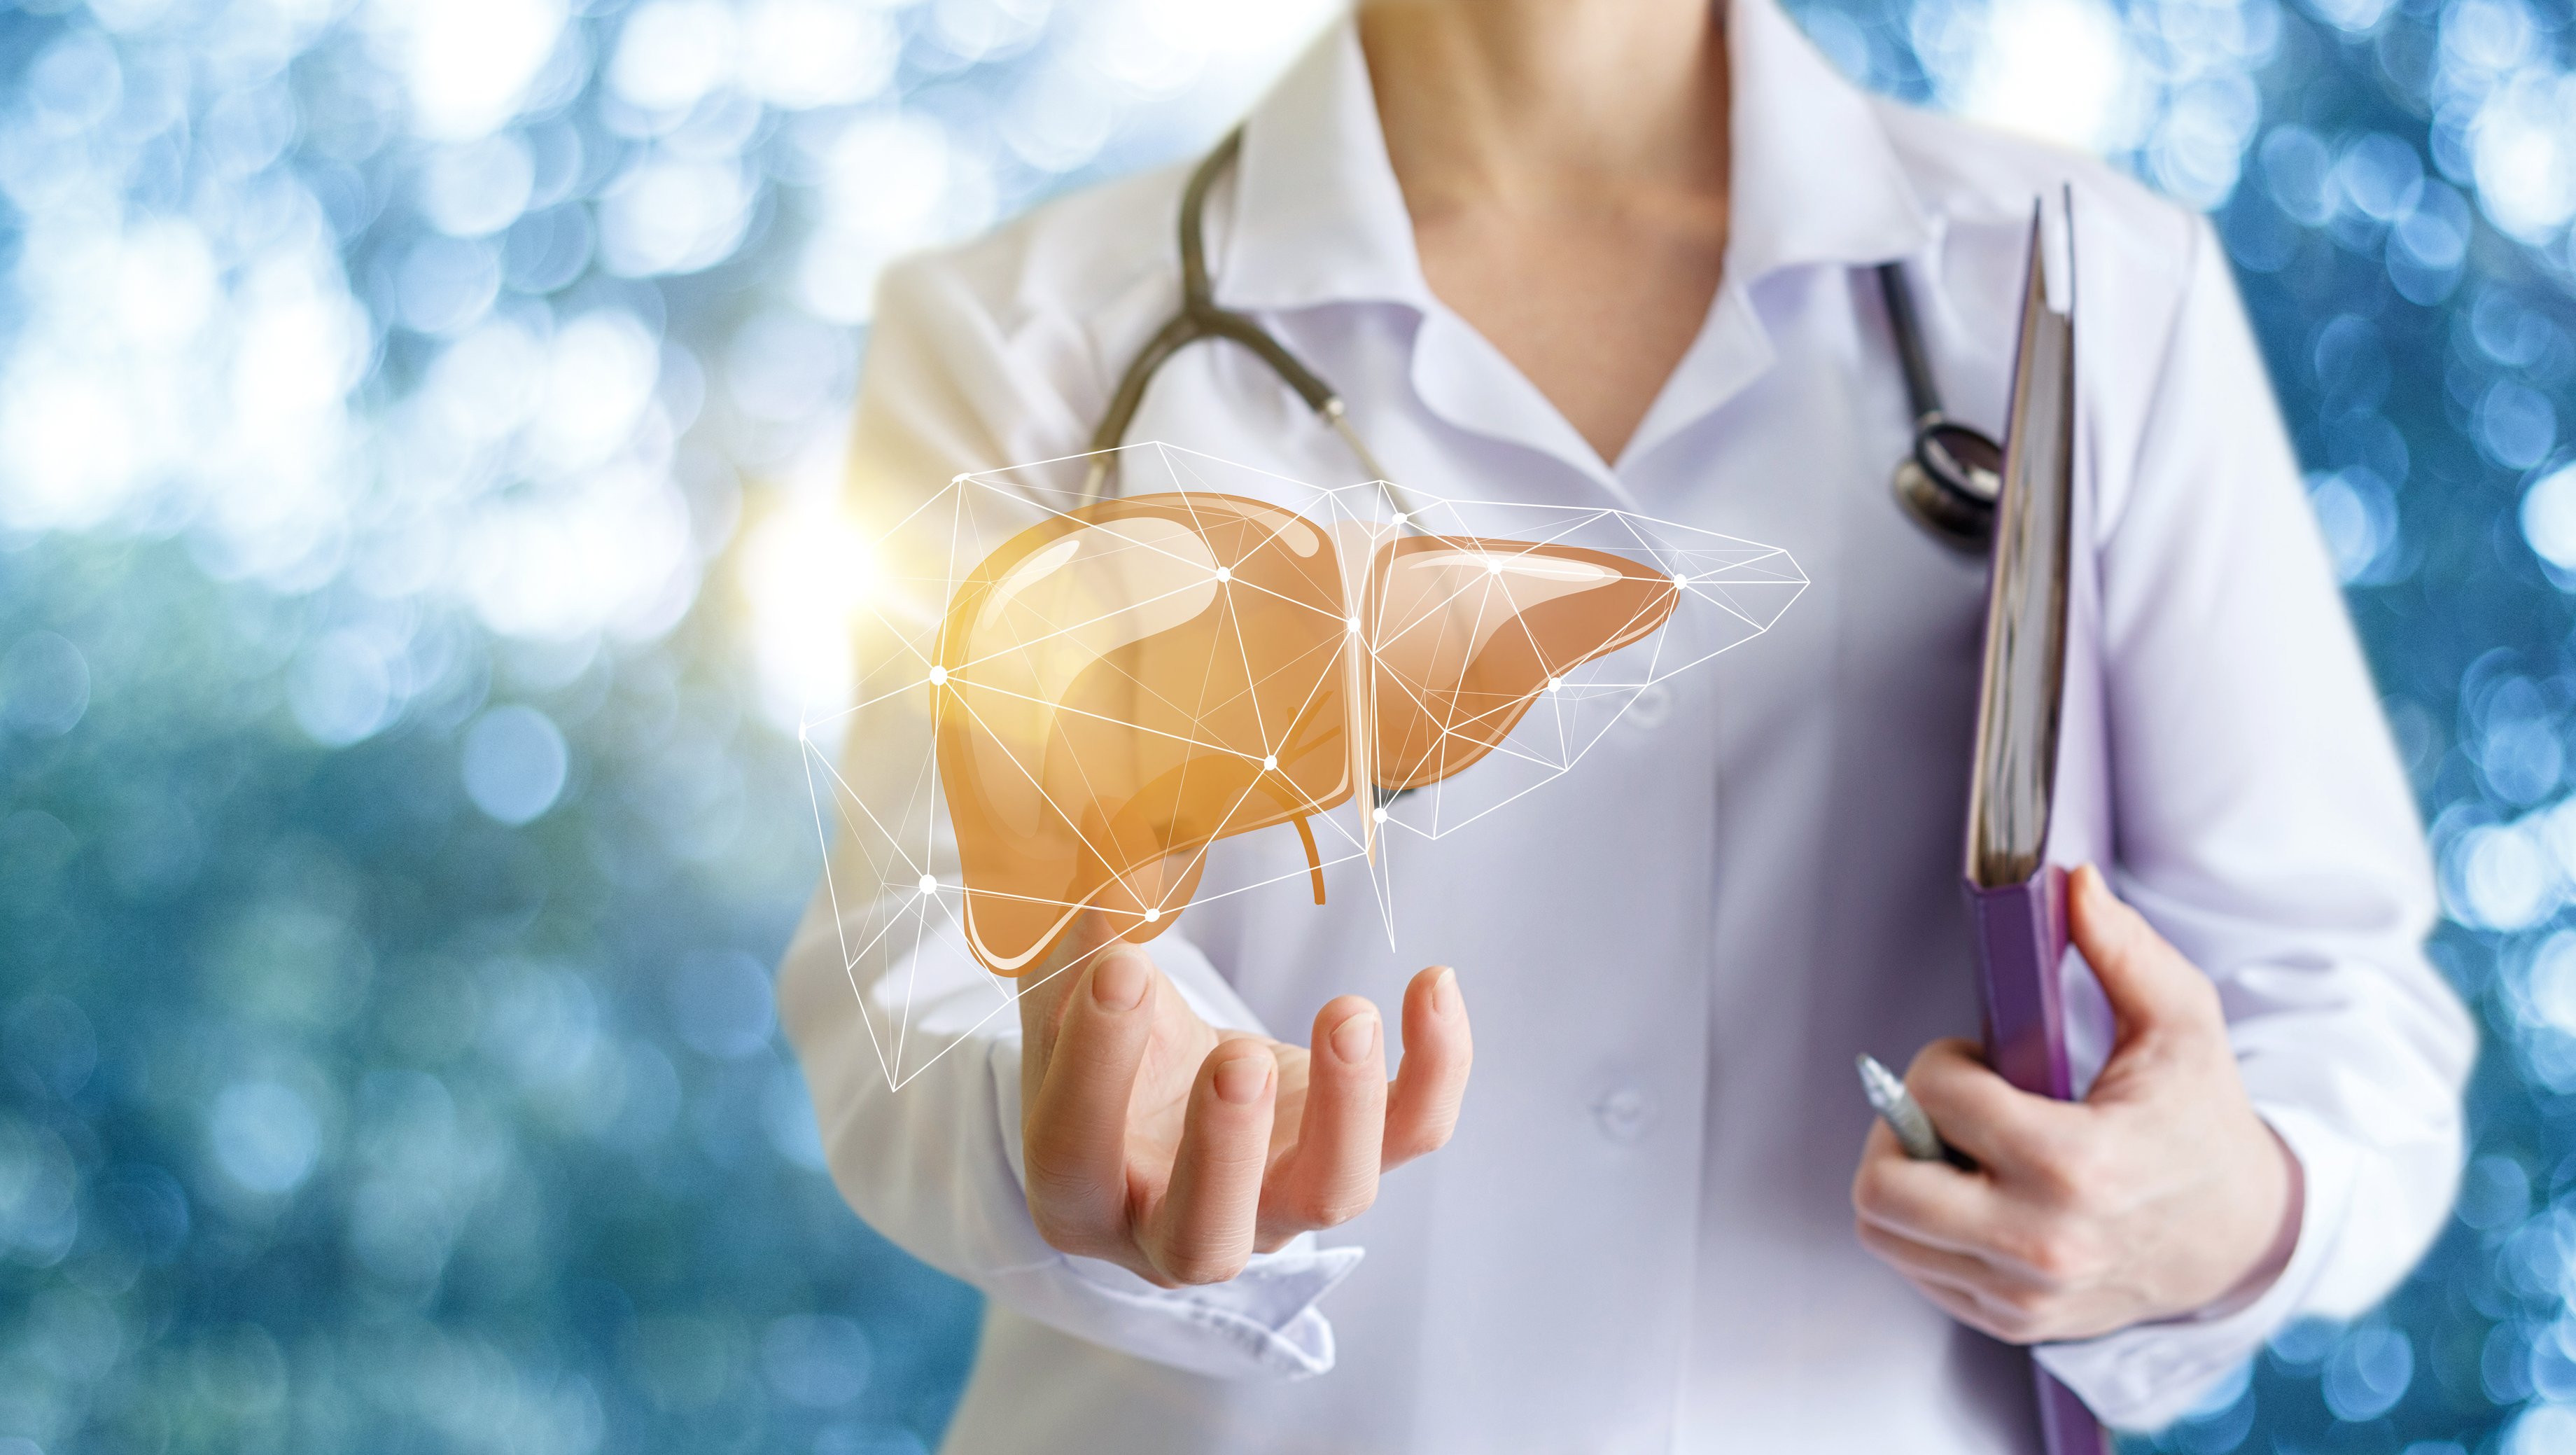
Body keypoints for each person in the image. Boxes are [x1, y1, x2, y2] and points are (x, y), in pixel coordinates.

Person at [774, 0, 2477, 1447]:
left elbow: (2333, 997)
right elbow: (915, 970)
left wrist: (2226, 1201)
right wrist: (1060, 1124)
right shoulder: (1020, 331)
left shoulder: (2094, 279)